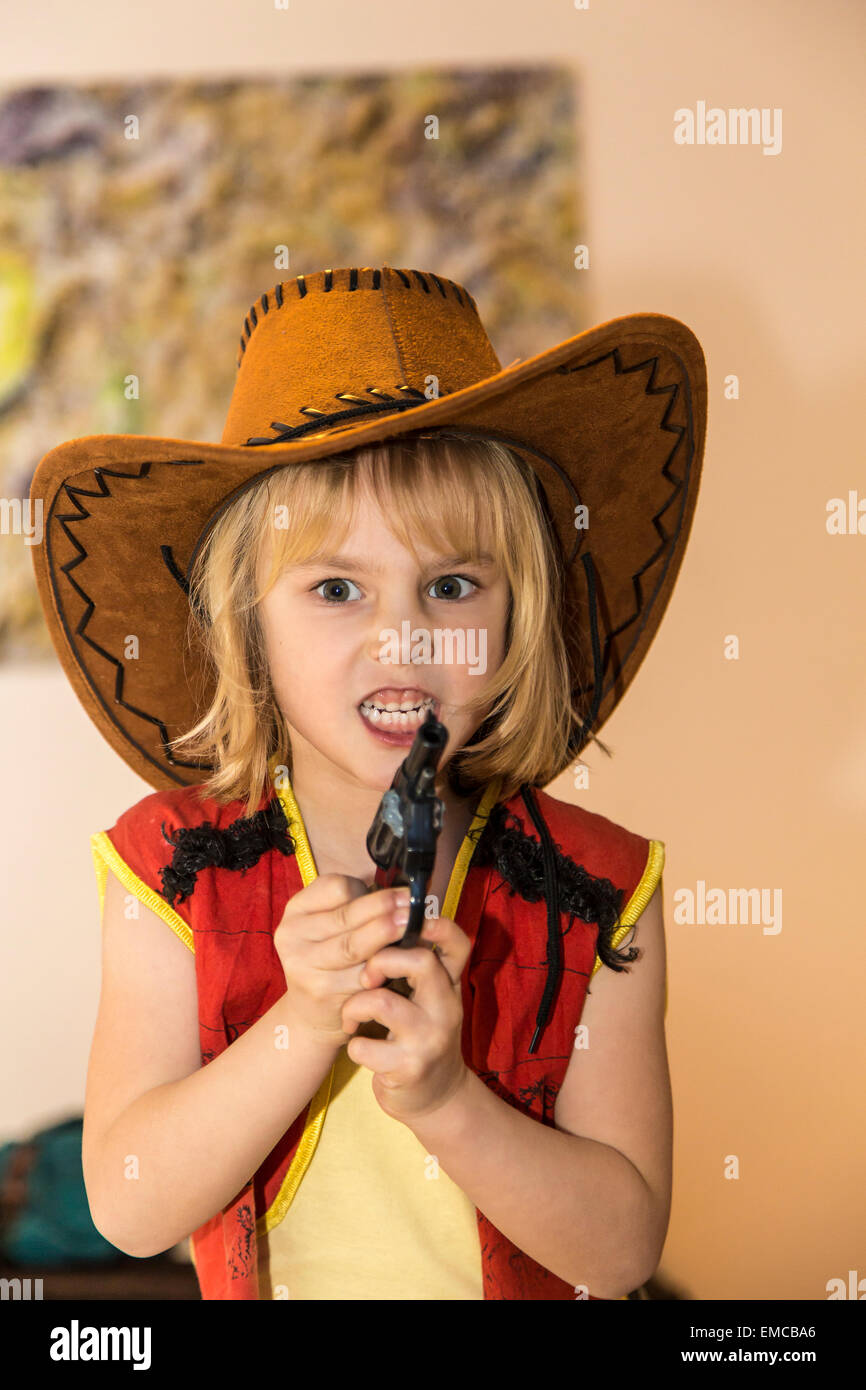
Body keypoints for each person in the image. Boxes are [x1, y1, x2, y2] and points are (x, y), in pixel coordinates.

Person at [29, 264, 707, 1300]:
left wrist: (445, 1098)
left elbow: (618, 1253)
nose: (402, 636)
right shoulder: (167, 870)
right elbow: (129, 1208)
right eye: (337, 587)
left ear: (515, 615)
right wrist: (301, 1021)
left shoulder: (601, 892)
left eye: (450, 584)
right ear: (246, 625)